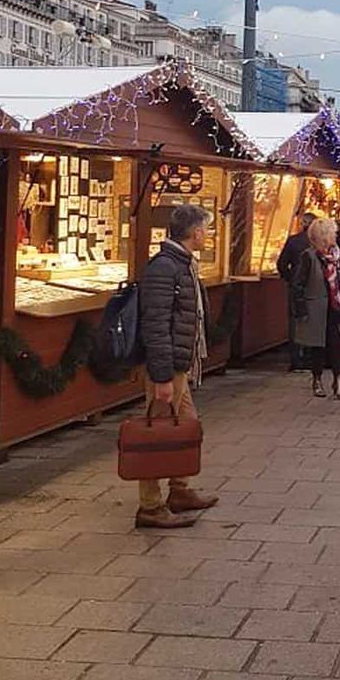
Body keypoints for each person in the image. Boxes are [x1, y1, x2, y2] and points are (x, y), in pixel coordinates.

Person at [135, 203, 220, 529]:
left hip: (179, 363)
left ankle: (179, 489)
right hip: (167, 365)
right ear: (195, 232)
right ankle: (150, 506)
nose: (208, 235)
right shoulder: (164, 267)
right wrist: (161, 376)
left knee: (186, 424)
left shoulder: (182, 263)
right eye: (207, 229)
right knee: (158, 431)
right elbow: (155, 324)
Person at [290, 218, 340, 399]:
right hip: (316, 308)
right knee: (318, 346)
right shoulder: (309, 257)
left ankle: (338, 380)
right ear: (323, 236)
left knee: (338, 344)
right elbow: (298, 284)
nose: (336, 235)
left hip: (336, 307)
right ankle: (317, 379)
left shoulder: (338, 256)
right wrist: (301, 309)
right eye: (332, 232)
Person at [278, 212, 317, 371]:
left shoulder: (293, 241)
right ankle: (309, 357)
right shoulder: (318, 243)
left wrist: (290, 278)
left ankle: (295, 360)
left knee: (295, 321)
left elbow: (281, 264)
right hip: (314, 286)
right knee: (312, 321)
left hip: (296, 286)